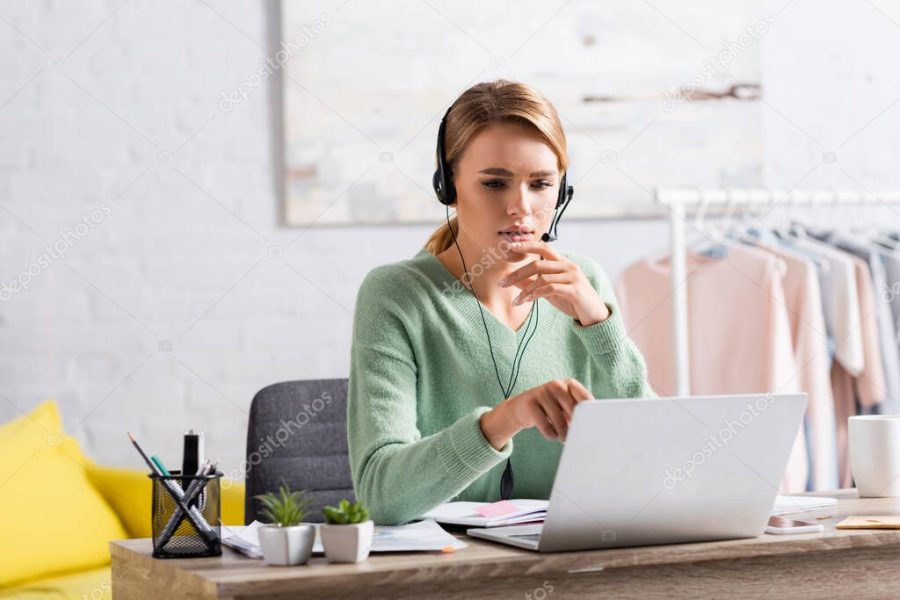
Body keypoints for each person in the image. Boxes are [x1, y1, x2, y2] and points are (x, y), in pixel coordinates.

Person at [347, 79, 656, 525]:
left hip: (570, 559)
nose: (521, 208)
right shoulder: (396, 296)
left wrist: (598, 323)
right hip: (449, 570)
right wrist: (503, 420)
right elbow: (382, 496)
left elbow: (655, 454)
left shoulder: (585, 281)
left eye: (541, 184)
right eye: (495, 183)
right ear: (448, 187)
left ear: (562, 191)